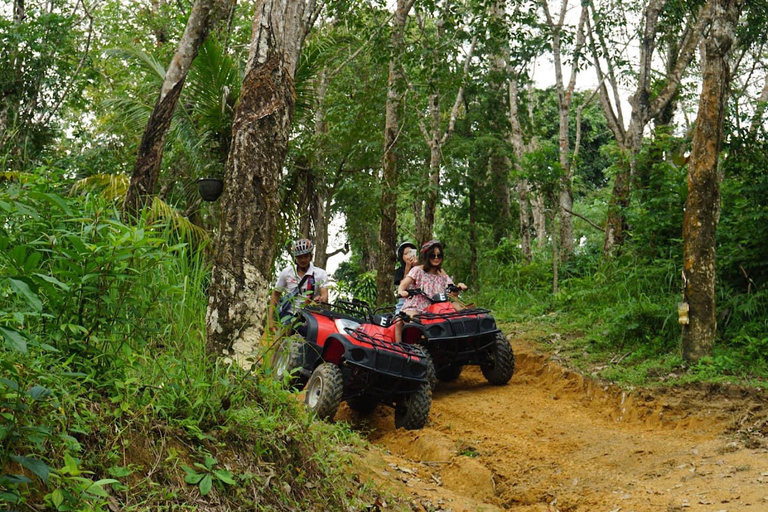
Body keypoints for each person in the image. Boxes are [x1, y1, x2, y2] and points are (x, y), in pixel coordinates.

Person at [395, 239, 467, 342]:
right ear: (427, 256)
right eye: (433, 255)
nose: (436, 258)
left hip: (437, 308)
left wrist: (459, 287)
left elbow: (452, 290)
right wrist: (402, 292)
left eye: (439, 255)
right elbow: (403, 284)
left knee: (460, 310)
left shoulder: (441, 273)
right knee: (413, 321)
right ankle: (404, 349)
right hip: (418, 306)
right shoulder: (417, 270)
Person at [268, 238, 329, 332]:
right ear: (295, 257)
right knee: (282, 336)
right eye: (299, 257)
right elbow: (276, 294)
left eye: (305, 256)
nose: (303, 260)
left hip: (310, 316)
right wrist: (270, 319)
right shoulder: (287, 272)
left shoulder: (320, 274)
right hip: (289, 314)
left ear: (311, 256)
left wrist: (320, 299)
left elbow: (324, 295)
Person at [393, 241, 418, 314]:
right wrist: (408, 267)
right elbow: (404, 286)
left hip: (420, 300)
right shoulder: (399, 271)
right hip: (404, 301)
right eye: (406, 253)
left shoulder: (421, 267)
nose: (408, 255)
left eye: (410, 252)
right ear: (401, 256)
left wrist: (417, 266)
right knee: (398, 320)